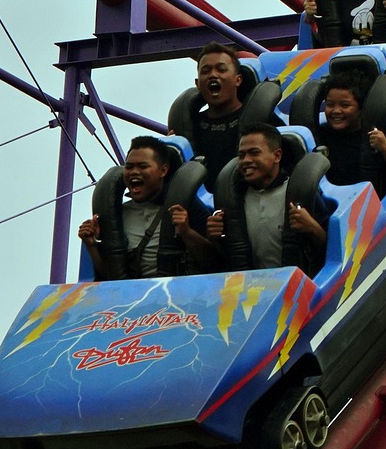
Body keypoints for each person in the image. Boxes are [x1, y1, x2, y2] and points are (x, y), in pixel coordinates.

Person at [76, 137, 207, 280]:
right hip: (133, 297)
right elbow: (109, 276)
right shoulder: (119, 215)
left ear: (163, 170)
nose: (134, 172)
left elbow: (216, 263)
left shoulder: (187, 208)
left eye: (143, 166)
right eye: (129, 167)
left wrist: (186, 232)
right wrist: (91, 244)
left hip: (180, 294)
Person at [204, 124, 326, 273]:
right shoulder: (233, 203)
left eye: (254, 153)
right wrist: (214, 238)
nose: (246, 160)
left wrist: (313, 228)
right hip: (251, 288)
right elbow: (222, 260)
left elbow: (335, 251)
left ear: (277, 156)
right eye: (241, 156)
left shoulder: (301, 194)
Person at [315, 73, 386, 196]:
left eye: (345, 105)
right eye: (330, 105)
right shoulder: (319, 134)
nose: (336, 111)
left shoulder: (377, 136)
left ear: (361, 108)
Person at [187, 42, 251, 193]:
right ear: (197, 84)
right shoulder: (189, 125)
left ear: (238, 79)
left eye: (221, 70)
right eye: (206, 71)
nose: (213, 75)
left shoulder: (260, 118)